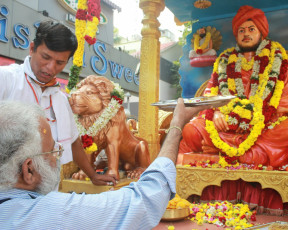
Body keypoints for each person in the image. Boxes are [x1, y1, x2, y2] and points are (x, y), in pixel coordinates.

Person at [0, 99, 209, 229]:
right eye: (53, 152)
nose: (57, 157)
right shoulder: (51, 215)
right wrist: (176, 127)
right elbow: (144, 199)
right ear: (28, 170)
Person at [179, 5, 288, 171]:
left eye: (251, 29)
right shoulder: (224, 61)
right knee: (191, 130)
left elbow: (286, 98)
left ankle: (224, 153)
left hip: (263, 126)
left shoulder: (278, 60)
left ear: (261, 32)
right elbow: (209, 94)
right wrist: (216, 113)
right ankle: (244, 155)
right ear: (237, 35)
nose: (246, 34)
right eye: (241, 31)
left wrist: (255, 117)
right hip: (227, 126)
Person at [0, 20, 115, 186]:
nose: (50, 68)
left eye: (60, 63)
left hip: (47, 189)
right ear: (32, 48)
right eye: (45, 57)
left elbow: (74, 142)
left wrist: (93, 175)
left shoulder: (61, 100)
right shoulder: (6, 79)